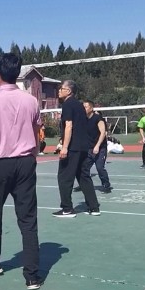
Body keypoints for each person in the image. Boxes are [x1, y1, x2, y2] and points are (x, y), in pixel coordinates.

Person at [0, 53, 43, 290]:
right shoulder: (31, 101)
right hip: (25, 162)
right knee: (28, 218)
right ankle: (32, 275)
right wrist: (33, 155)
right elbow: (36, 132)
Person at [54, 81, 99, 217]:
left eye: (61, 88)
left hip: (73, 147)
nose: (59, 91)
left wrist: (65, 147)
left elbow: (69, 126)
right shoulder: (79, 105)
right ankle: (94, 207)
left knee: (64, 177)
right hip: (83, 147)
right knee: (83, 176)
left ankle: (67, 209)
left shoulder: (68, 104)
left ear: (68, 91)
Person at [74, 101, 112, 194]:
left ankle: (106, 185)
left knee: (100, 168)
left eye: (86, 107)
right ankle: (83, 184)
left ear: (91, 108)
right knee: (83, 168)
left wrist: (97, 146)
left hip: (100, 148)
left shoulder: (98, 118)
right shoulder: (82, 119)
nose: (84, 109)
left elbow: (103, 133)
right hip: (88, 148)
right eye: (83, 107)